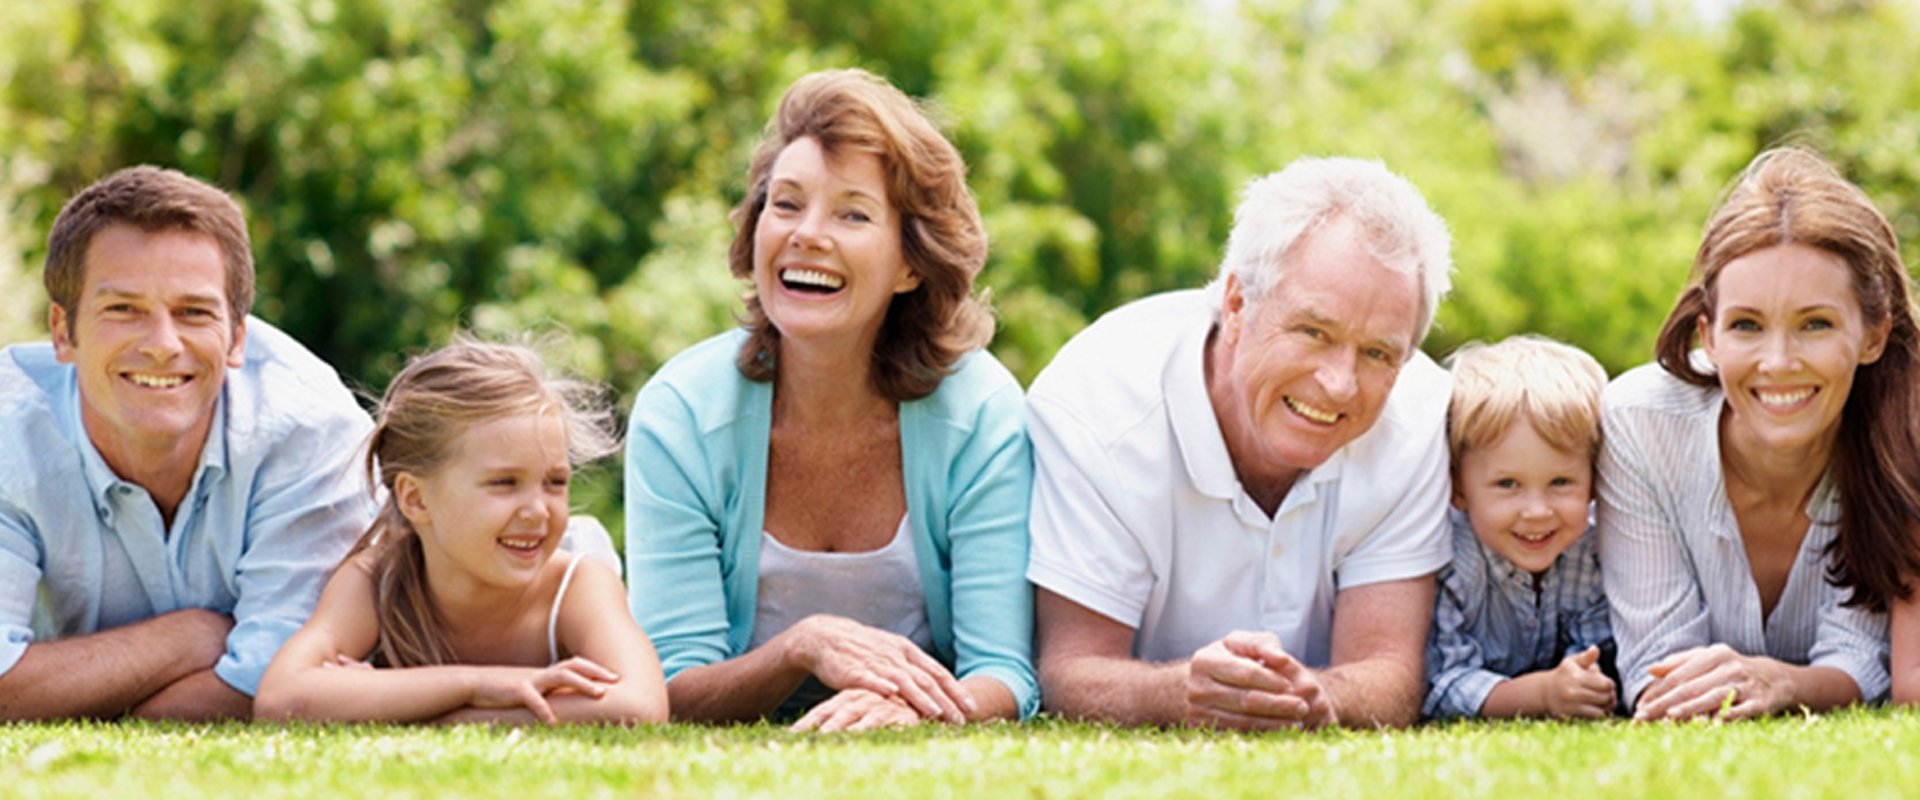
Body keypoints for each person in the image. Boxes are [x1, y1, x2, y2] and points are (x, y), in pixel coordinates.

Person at [624, 68, 1036, 731]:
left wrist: (911, 708)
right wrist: (803, 646)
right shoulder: (680, 414)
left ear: (909, 263)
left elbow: (1005, 671)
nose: (807, 233)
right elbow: (671, 685)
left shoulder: (980, 412)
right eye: (785, 204)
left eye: (852, 213)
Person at [1027, 156, 1455, 730]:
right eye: (1313, 332)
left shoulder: (1421, 413)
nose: (1340, 383)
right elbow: (1069, 670)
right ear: (1235, 304)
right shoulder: (1097, 402)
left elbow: (1389, 671)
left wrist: (1322, 700)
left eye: (1378, 353)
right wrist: (1178, 695)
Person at [0, 166, 375, 721]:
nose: (161, 345)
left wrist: (78, 690)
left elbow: (279, 681)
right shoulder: (10, 432)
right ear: (63, 331)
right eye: (123, 309)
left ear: (237, 338)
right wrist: (190, 638)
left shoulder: (309, 429)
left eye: (193, 312)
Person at [1600, 147, 1907, 721]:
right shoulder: (1639, 423)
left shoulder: (1896, 445)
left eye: (1815, 324)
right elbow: (1658, 671)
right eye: (1746, 325)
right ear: (1708, 336)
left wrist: (1785, 683)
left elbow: (1863, 658)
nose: (1778, 361)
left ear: (1873, 335)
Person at [254, 340, 667, 724]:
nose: (538, 510)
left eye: (555, 482)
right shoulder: (374, 581)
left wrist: (434, 712)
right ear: (415, 499)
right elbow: (281, 698)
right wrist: (478, 685)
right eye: (504, 483)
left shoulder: (576, 584)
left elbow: (641, 706)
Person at [1424, 335, 1617, 721]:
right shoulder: (1447, 559)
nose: (1536, 511)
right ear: (1458, 488)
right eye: (1508, 484)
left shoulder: (1597, 550)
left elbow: (1603, 656)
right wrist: (1543, 694)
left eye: (1561, 482)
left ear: (1594, 481)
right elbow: (1441, 685)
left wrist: (1586, 684)